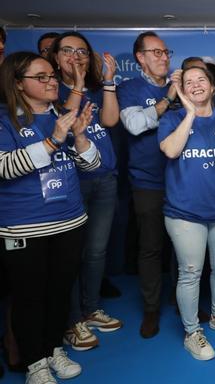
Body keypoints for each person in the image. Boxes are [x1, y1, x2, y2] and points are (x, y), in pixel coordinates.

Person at [0, 52, 101, 383]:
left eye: (52, 76)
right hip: (24, 226)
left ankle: (53, 349)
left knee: (60, 292)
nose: (51, 81)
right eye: (40, 77)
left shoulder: (62, 115)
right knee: (29, 297)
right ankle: (35, 364)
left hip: (69, 222)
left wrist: (81, 136)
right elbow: (4, 167)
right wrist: (53, 140)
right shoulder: (5, 120)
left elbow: (91, 166)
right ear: (18, 83)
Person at [158, 65, 215, 360]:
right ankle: (192, 332)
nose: (195, 85)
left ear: (212, 86)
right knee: (191, 273)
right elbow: (170, 150)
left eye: (201, 80)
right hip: (184, 213)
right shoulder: (172, 118)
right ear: (182, 89)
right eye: (188, 82)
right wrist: (191, 114)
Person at [48, 32, 123, 351]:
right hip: (71, 181)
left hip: (105, 177)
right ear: (54, 57)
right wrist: (76, 82)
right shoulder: (49, 88)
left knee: (96, 251)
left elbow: (109, 119)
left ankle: (90, 309)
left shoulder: (95, 88)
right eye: (67, 51)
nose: (75, 56)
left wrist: (107, 81)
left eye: (81, 51)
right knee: (71, 254)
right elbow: (64, 121)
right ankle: (72, 319)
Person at [117, 31, 176, 338]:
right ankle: (151, 309)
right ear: (140, 57)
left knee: (183, 248)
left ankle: (184, 304)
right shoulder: (130, 88)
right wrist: (167, 100)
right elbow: (135, 124)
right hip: (148, 182)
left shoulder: (182, 86)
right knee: (151, 248)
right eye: (156, 52)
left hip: (182, 180)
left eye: (166, 52)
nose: (163, 57)